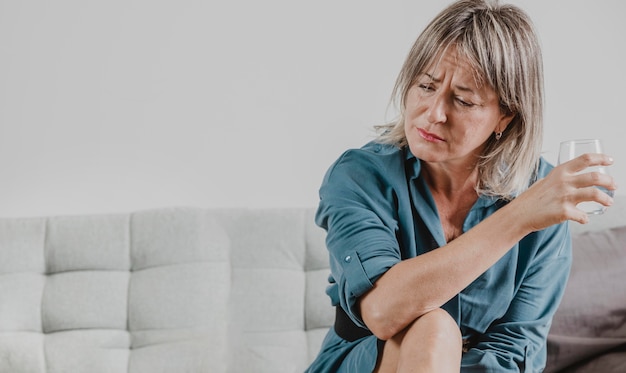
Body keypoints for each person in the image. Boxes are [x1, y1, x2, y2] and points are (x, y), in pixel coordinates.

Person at [305, 0, 617, 372]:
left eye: (463, 100)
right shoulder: (360, 175)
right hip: (367, 364)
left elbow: (515, 349)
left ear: (506, 115)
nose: (434, 113)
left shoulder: (541, 195)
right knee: (434, 327)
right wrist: (519, 219)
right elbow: (382, 312)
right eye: (425, 85)